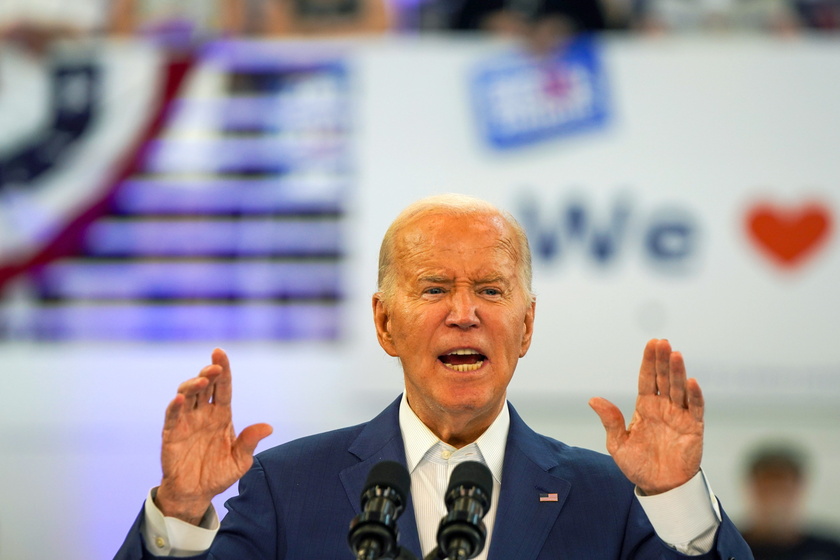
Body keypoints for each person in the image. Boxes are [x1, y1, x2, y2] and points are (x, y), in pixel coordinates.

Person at [115, 193, 753, 559]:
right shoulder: (287, 488)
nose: (465, 314)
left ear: (526, 328)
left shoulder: (610, 496)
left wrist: (675, 500)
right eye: (434, 288)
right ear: (385, 323)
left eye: (490, 290)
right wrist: (181, 508)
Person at [739, 442, 840, 560]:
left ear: (800, 490)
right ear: (751, 490)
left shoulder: (831, 551)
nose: (775, 500)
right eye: (767, 490)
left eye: (783, 489)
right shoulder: (724, 549)